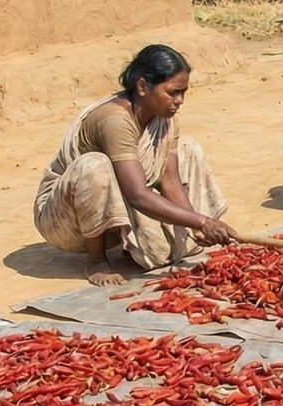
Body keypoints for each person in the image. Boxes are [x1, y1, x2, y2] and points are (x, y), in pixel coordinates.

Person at [33, 44, 235, 286]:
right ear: (142, 87)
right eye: (173, 93)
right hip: (64, 219)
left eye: (183, 93)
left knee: (188, 148)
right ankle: (96, 260)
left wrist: (195, 225)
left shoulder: (165, 118)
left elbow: (169, 180)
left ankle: (132, 243)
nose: (180, 101)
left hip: (118, 203)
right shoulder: (114, 120)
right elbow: (137, 195)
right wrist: (202, 221)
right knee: (95, 166)